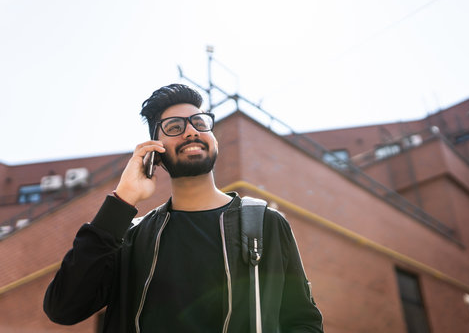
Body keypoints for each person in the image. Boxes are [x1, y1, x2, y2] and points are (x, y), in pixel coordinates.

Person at [43, 83, 324, 332]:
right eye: (175, 127)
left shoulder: (264, 223)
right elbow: (64, 308)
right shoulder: (130, 238)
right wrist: (122, 201)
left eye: (199, 123)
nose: (191, 132)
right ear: (155, 151)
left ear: (213, 138)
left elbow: (303, 321)